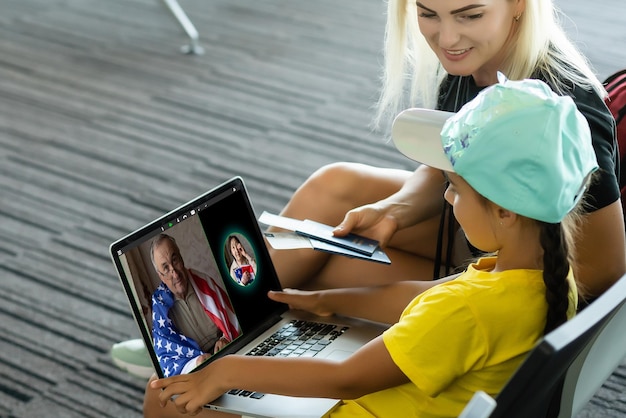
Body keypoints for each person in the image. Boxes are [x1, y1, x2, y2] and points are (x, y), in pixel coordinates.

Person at [145, 76, 594, 417]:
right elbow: (420, 295)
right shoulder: (544, 278)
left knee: (163, 402)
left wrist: (225, 371)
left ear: (505, 210)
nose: (447, 197)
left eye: (455, 187)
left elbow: (349, 377)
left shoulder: (470, 311)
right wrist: (326, 300)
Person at [267, 0, 625, 299]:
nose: (447, 38)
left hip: (525, 284)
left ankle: (230, 341)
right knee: (332, 186)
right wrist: (396, 210)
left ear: (519, 4)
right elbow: (452, 162)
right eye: (428, 14)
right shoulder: (476, 57)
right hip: (481, 230)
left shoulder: (563, 111)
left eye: (470, 15)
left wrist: (469, 288)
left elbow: (602, 271)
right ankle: (230, 328)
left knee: (323, 274)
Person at [150, 234, 241, 376]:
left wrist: (225, 338)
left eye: (175, 260)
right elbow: (168, 361)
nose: (174, 273)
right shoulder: (161, 310)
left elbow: (234, 316)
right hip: (197, 373)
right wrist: (196, 362)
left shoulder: (205, 283)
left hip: (227, 357)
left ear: (181, 258)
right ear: (160, 275)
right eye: (166, 268)